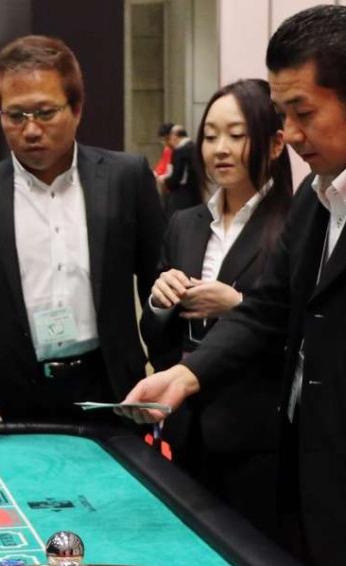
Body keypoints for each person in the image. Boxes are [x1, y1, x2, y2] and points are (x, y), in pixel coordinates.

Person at [117, 5, 346, 566]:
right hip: (307, 486)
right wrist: (187, 376)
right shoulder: (317, 197)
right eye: (282, 114)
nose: (291, 135)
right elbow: (268, 310)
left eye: (303, 113)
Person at [0, 35, 165, 439]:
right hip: (11, 396)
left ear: (76, 109)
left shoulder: (125, 179)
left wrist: (168, 370)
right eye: (15, 115)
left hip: (110, 388)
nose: (31, 130)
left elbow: (159, 281)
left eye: (45, 112)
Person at [141, 79, 291, 537]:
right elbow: (156, 338)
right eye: (209, 136)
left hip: (261, 437)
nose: (219, 149)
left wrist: (239, 305)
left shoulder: (295, 224)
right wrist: (158, 301)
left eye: (236, 135)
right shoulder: (186, 224)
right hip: (189, 426)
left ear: (275, 143)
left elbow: (310, 332)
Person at [163, 124, 203, 217]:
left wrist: (165, 182)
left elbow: (176, 178)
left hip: (181, 198)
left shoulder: (179, 151)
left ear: (174, 136)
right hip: (196, 195)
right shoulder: (197, 148)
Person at [153, 121, 174, 187]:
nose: (164, 142)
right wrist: (156, 173)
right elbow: (162, 164)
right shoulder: (167, 150)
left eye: (165, 139)